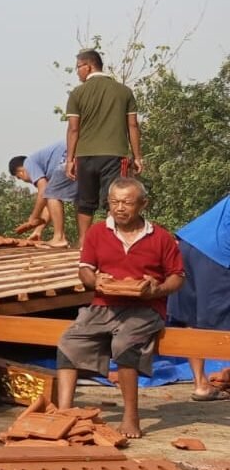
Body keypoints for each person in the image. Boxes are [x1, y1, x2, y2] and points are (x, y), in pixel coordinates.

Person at [55, 178, 184, 438]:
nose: (120, 208)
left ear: (143, 204)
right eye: (114, 202)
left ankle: (131, 416)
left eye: (127, 202)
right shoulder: (97, 232)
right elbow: (85, 270)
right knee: (69, 341)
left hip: (146, 309)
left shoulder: (160, 237)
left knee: (124, 343)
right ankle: (64, 413)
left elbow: (177, 276)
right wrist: (95, 280)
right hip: (105, 304)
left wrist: (156, 289)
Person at [62, 49, 142, 244]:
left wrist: (70, 160)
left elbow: (73, 129)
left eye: (78, 68)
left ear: (88, 66)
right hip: (114, 155)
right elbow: (132, 125)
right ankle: (112, 242)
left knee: (85, 202)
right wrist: (138, 156)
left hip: (85, 156)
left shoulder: (77, 93)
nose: (78, 72)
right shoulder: (124, 91)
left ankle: (83, 243)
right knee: (114, 200)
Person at [170, 193, 230, 401]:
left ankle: (201, 384)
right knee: (219, 320)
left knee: (192, 316)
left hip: (188, 242)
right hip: (217, 252)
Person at [9, 142, 77, 248]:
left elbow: (44, 190)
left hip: (69, 158)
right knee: (81, 198)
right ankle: (83, 240)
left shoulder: (28, 163)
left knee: (51, 193)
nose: (26, 181)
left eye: (20, 178)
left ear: (20, 173)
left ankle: (59, 238)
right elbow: (50, 206)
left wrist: (33, 217)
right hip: (84, 156)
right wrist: (38, 230)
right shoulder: (49, 172)